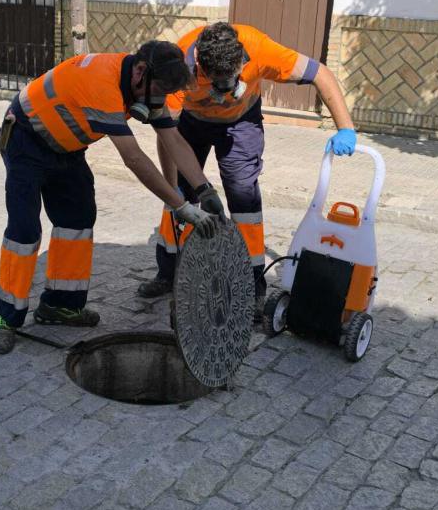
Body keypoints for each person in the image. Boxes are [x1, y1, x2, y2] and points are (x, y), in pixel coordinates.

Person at [0, 40, 226, 355]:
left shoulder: (144, 83)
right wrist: (181, 206)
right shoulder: (103, 81)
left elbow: (173, 140)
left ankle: (60, 306)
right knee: (24, 231)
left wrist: (203, 190)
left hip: (67, 148)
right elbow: (133, 158)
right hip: (25, 140)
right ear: (140, 71)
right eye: (159, 90)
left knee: (77, 220)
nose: (159, 100)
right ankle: (6, 318)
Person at [138, 21, 358, 307]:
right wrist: (171, 186)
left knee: (244, 199)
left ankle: (250, 284)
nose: (227, 89)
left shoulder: (261, 48)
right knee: (180, 194)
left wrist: (345, 127)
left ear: (242, 59)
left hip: (241, 123)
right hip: (192, 123)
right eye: (218, 82)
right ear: (200, 68)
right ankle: (169, 272)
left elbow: (321, 74)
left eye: (232, 78)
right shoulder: (179, 69)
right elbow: (167, 135)